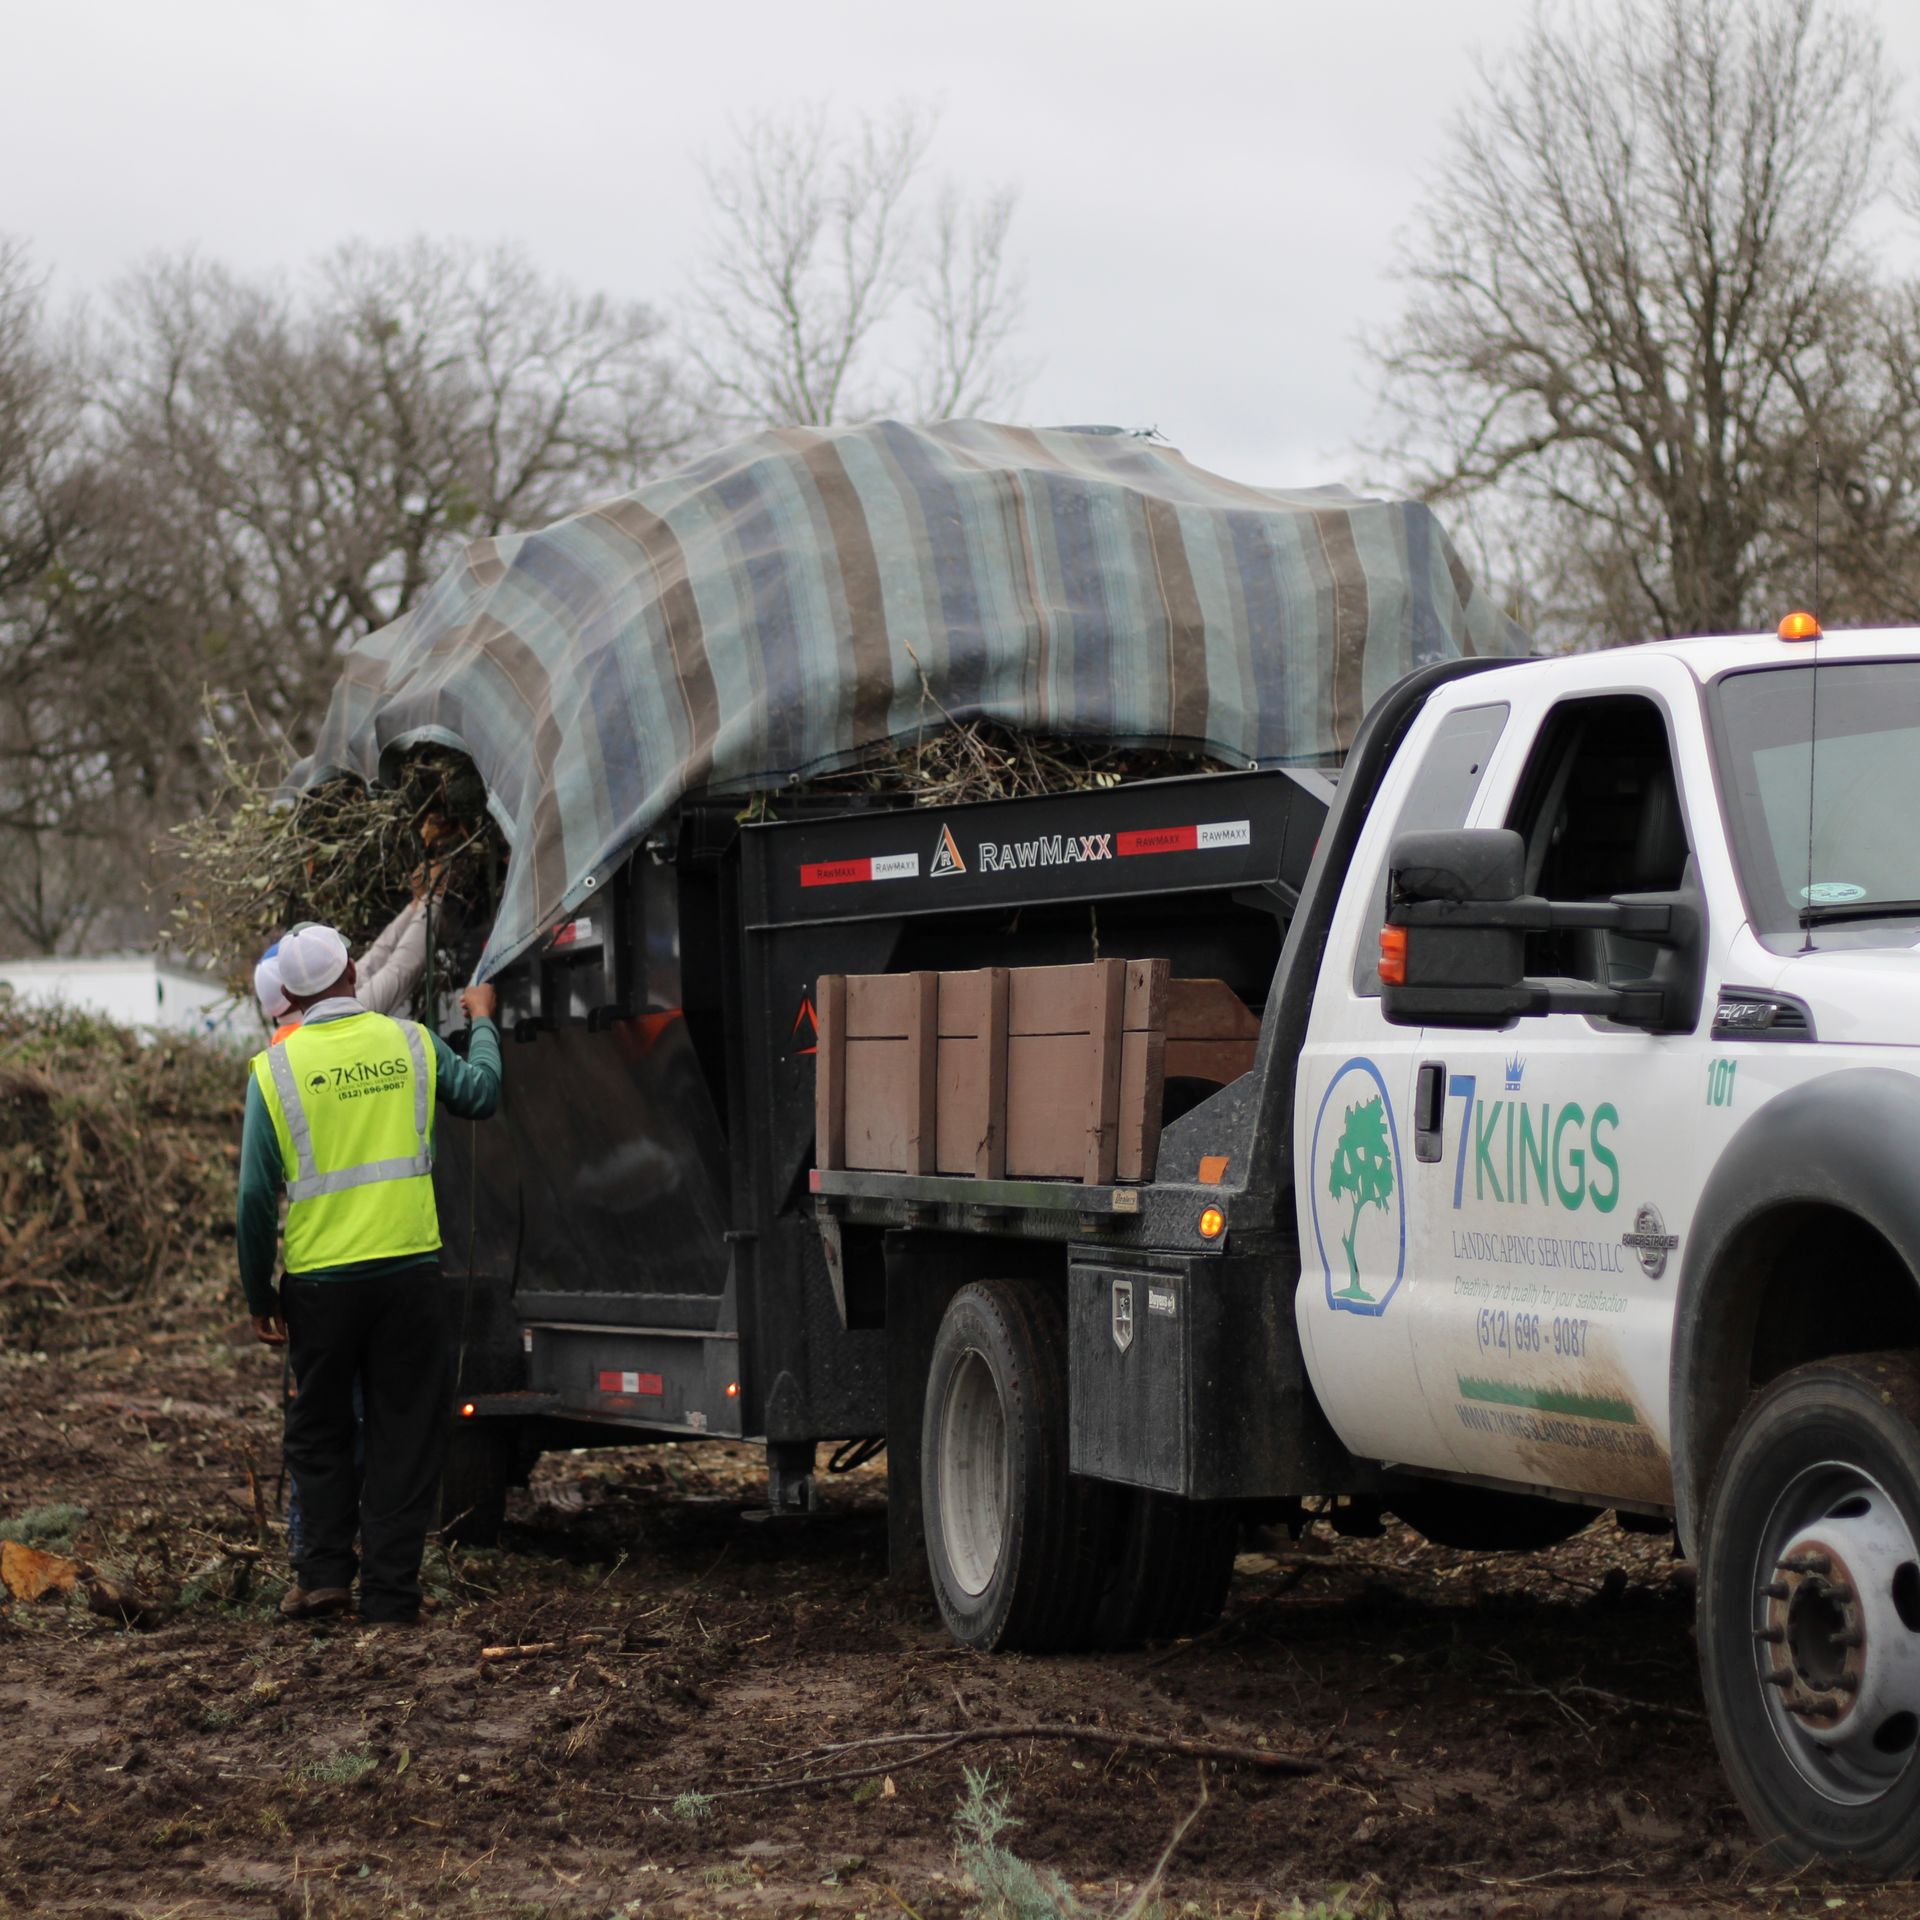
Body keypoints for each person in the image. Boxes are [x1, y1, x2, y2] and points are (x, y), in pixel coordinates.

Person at [237, 922, 502, 1624]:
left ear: (289, 994)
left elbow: (255, 1201)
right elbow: (480, 1094)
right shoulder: (411, 1043)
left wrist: (259, 1294)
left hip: (321, 1286)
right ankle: (389, 1592)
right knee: (405, 1432)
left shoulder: (274, 1073)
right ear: (353, 972)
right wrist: (483, 1023)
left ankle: (323, 1574)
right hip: (409, 1275)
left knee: (317, 1431)